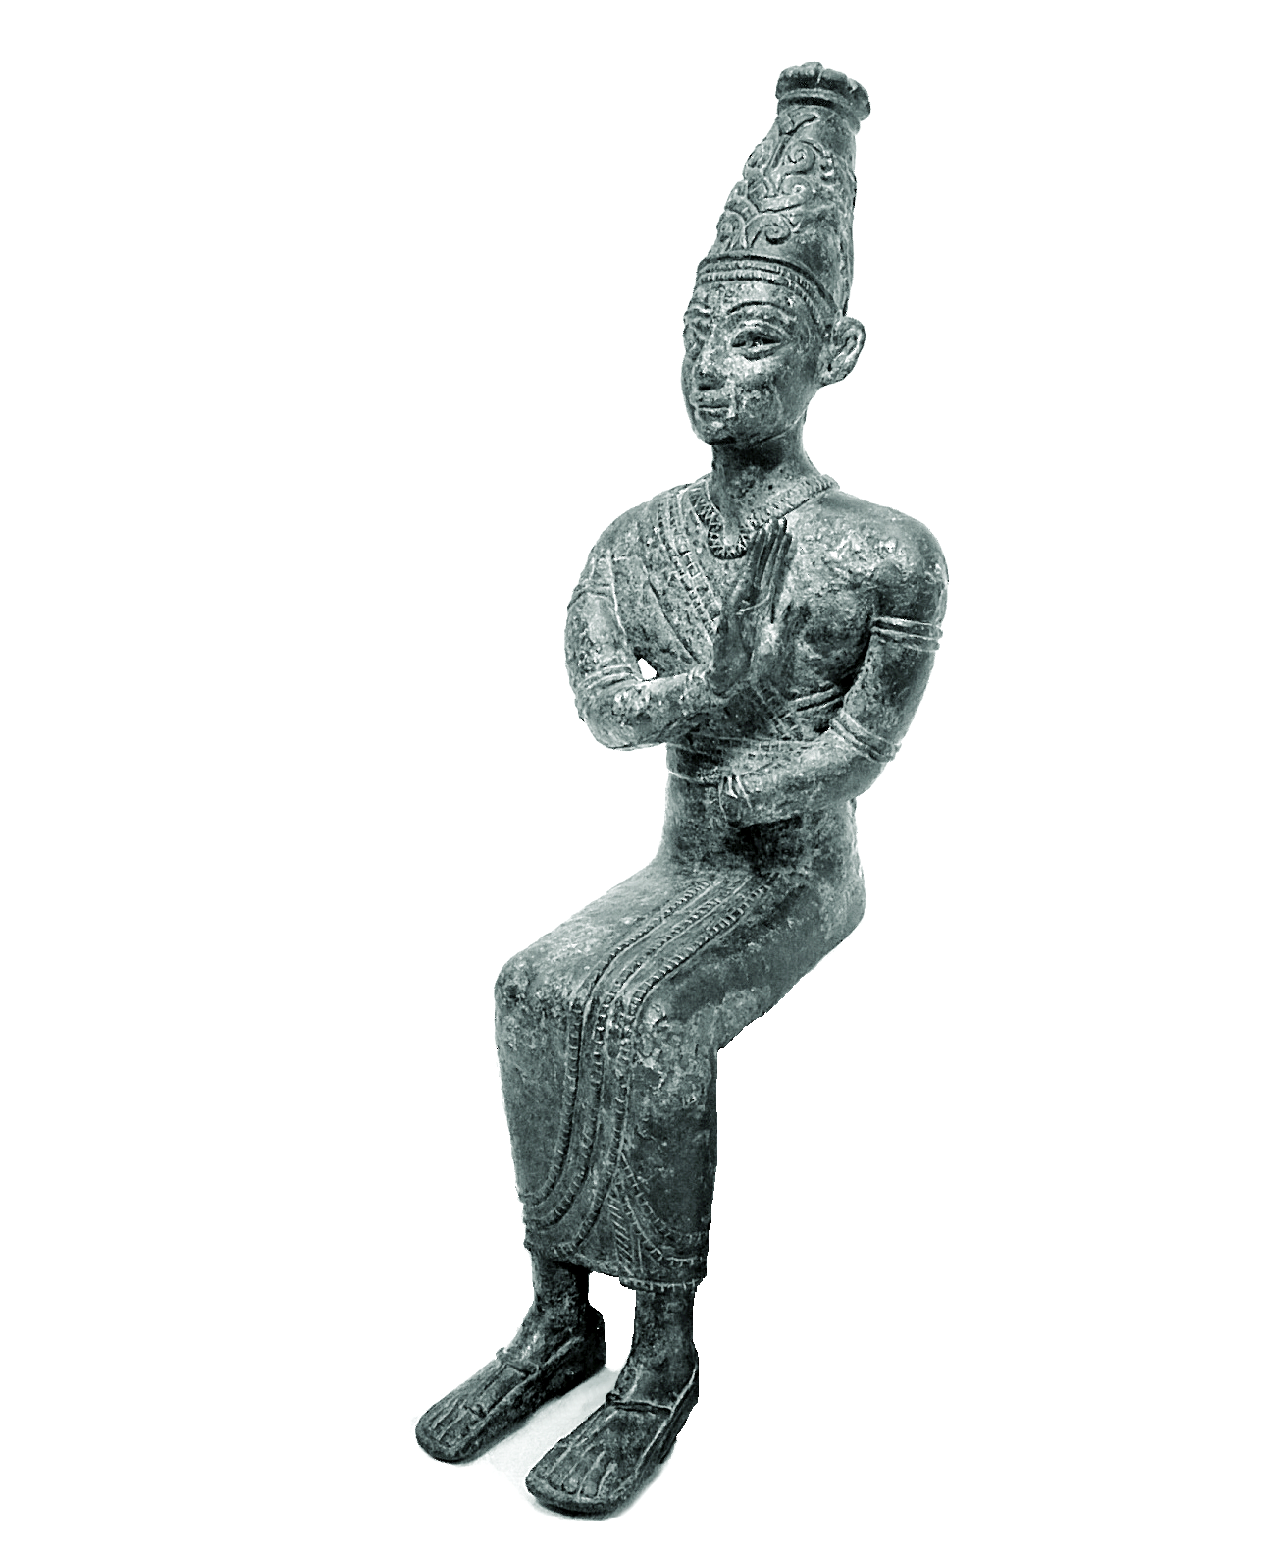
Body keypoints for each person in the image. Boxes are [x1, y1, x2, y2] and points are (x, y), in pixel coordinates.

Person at [416, 62, 946, 1516]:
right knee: (536, 985)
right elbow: (605, 704)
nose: (719, 372)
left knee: (647, 1017)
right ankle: (556, 1316)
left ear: (836, 351)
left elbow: (856, 753)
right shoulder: (637, 540)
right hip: (685, 858)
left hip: (794, 875)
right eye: (697, 342)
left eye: (757, 340)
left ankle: (661, 1356)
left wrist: (741, 739)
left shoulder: (886, 551)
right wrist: (704, 694)